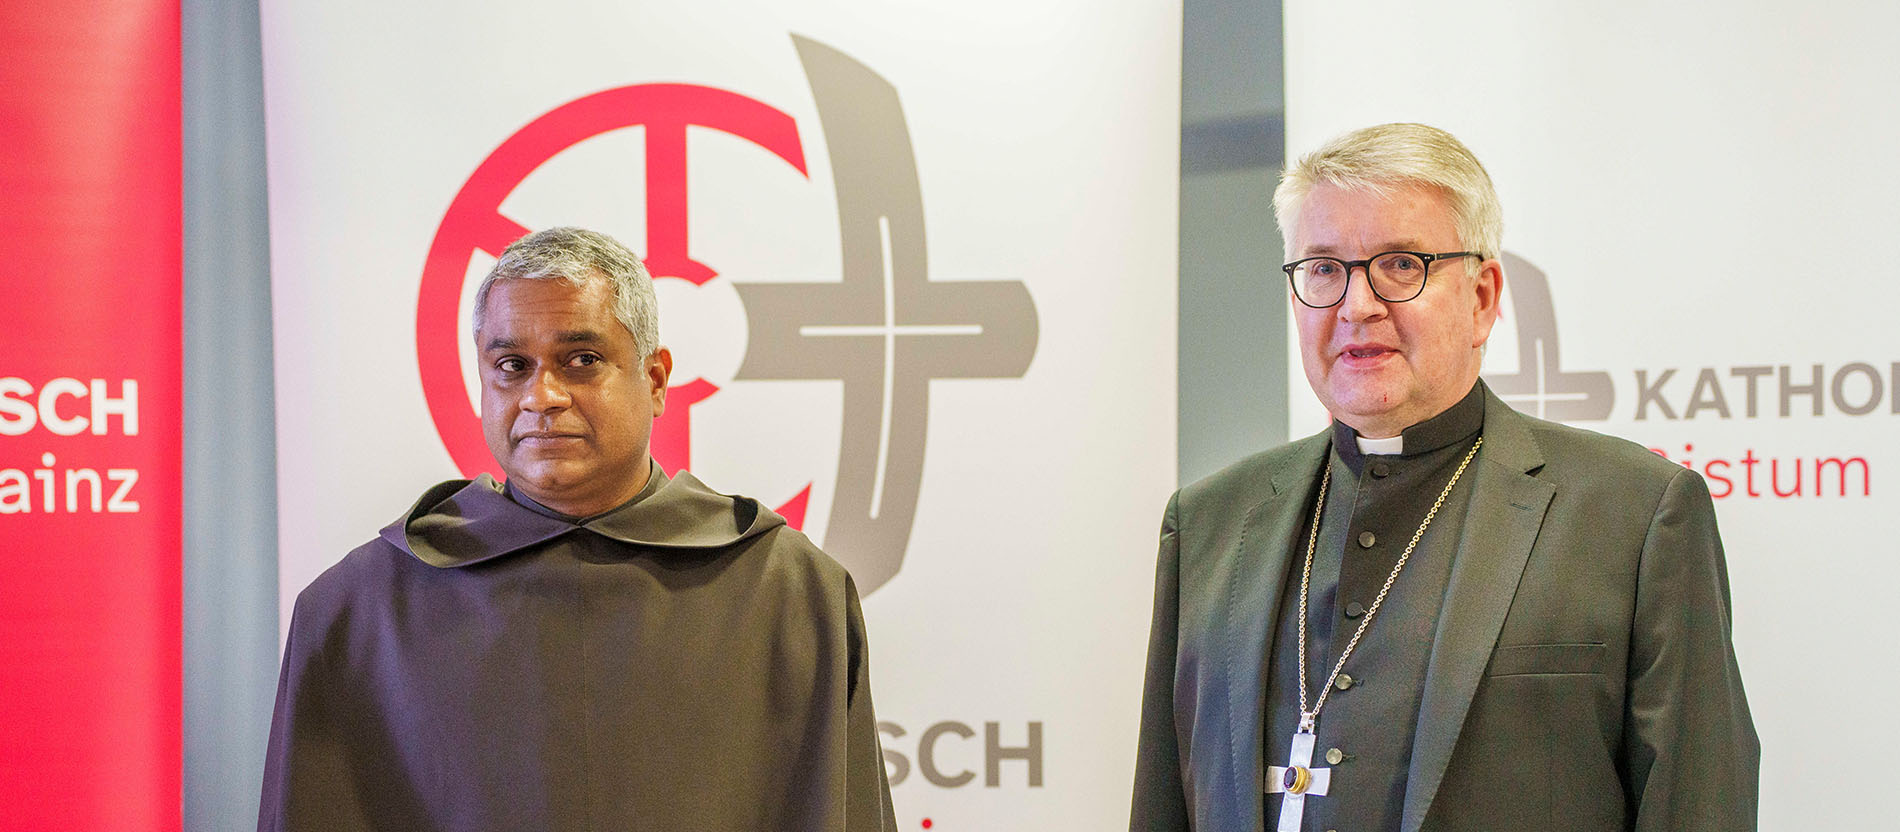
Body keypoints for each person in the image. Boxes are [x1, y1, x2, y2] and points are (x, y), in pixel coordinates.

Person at [1130, 124, 1757, 832]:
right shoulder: (1210, 522)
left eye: (1401, 265)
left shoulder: (1633, 515)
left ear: (1483, 297)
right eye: (1324, 269)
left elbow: (1700, 806)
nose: (1356, 306)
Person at [259, 227, 896, 831]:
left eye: (581, 359)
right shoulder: (358, 611)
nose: (543, 396)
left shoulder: (792, 595)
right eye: (512, 365)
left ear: (654, 380)